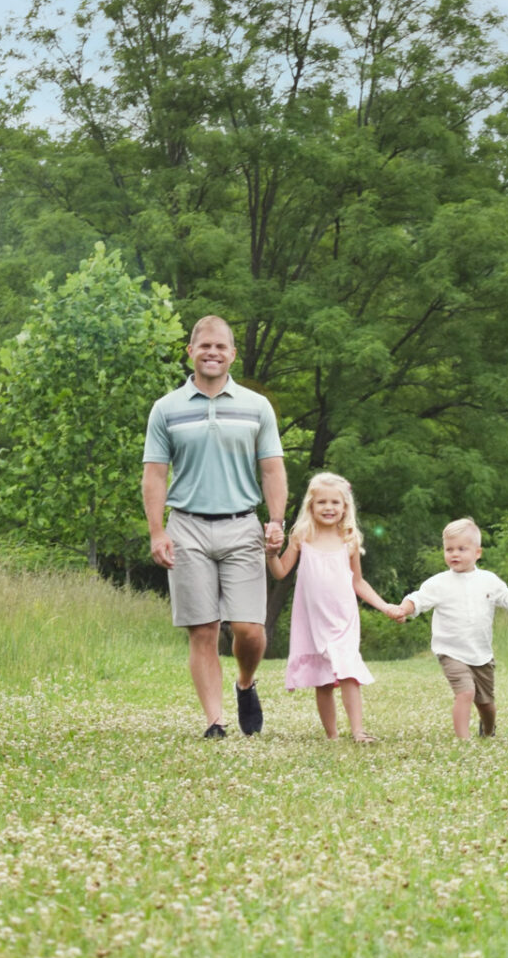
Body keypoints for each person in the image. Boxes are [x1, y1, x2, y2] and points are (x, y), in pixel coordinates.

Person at [142, 316, 288, 739]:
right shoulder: (166, 409)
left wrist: (276, 521)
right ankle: (215, 722)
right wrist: (157, 531)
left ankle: (245, 682)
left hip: (242, 525)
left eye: (221, 347)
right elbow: (154, 475)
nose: (212, 352)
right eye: (204, 345)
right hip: (186, 527)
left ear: (232, 355)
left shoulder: (256, 407)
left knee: (249, 630)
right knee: (203, 629)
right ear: (190, 351)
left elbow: (272, 468)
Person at [267, 472, 397, 742]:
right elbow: (280, 572)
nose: (329, 508)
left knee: (349, 672)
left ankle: (358, 731)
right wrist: (270, 555)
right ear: (311, 506)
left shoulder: (349, 541)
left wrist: (385, 607)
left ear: (345, 507)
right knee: (323, 680)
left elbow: (358, 582)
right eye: (322, 502)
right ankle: (332, 735)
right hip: (313, 621)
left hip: (343, 619)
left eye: (335, 502)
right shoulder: (302, 537)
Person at [397, 517, 508, 738]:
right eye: (449, 549)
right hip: (450, 651)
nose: (454, 554)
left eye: (462, 549)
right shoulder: (439, 583)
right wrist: (404, 609)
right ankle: (463, 741)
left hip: (481, 653)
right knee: (465, 692)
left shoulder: (488, 580)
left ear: (477, 553)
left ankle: (488, 731)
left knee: (486, 703)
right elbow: (418, 599)